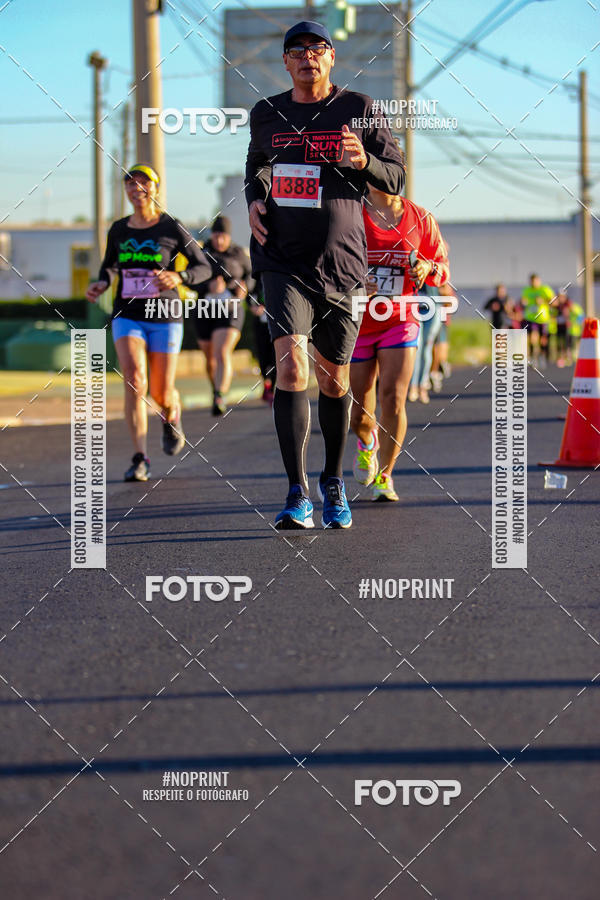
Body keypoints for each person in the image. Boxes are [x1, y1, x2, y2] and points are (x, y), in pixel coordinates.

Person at [245, 20, 405, 529]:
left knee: (334, 383)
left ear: (332, 57)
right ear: (286, 62)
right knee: (291, 369)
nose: (307, 57)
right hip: (281, 258)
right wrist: (254, 200)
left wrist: (364, 163)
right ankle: (296, 492)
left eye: (317, 49)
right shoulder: (266, 112)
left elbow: (397, 175)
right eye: (297, 51)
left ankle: (332, 480)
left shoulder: (358, 108)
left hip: (342, 263)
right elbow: (257, 164)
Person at [86, 163, 211, 481]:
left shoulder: (171, 227)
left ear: (155, 189)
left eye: (144, 183)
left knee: (161, 393)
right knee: (135, 380)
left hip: (165, 316)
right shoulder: (119, 229)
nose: (137, 188)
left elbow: (204, 267)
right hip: (128, 314)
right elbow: (109, 267)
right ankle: (140, 457)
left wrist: (178, 276)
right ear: (126, 191)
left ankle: (172, 413)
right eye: (131, 183)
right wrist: (101, 283)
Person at [349, 187, 449, 501]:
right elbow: (329, 262)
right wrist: (355, 281)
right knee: (360, 414)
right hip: (358, 321)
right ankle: (368, 443)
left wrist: (427, 268)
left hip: (401, 319)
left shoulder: (421, 218)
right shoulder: (352, 215)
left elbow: (443, 269)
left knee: (393, 398)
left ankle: (386, 475)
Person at [191, 216, 251, 415]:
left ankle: (219, 395)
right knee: (210, 358)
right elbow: (188, 278)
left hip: (230, 309)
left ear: (228, 236)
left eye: (223, 236)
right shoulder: (201, 253)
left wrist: (245, 287)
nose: (219, 240)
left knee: (222, 350)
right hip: (204, 309)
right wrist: (207, 286)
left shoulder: (238, 254)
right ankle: (215, 388)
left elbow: (252, 275)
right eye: (216, 236)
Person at [521, 273, 554, 367]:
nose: (533, 283)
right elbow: (523, 302)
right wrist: (523, 303)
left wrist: (543, 301)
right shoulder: (527, 290)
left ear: (539, 281)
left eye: (535, 281)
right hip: (531, 318)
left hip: (543, 318)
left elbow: (554, 302)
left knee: (543, 340)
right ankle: (532, 357)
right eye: (531, 281)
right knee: (532, 338)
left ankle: (542, 356)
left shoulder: (545, 289)